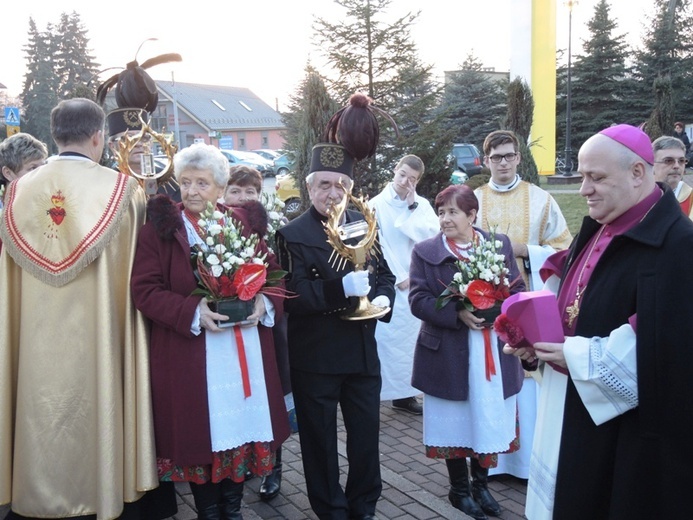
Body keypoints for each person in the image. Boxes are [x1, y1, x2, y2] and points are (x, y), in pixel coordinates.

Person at [506, 124, 693, 519]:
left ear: (638, 174)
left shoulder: (679, 243)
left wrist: (572, 355)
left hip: (625, 434)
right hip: (570, 404)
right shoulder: (600, 227)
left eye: (597, 177)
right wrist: (536, 346)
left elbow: (664, 344)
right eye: (582, 176)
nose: (584, 189)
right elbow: (571, 307)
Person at [0, 98, 168, 519]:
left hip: (33, 350)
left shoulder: (18, 191)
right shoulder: (123, 190)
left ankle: (34, 488)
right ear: (98, 137)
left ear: (55, 136)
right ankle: (106, 484)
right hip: (102, 343)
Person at [130, 143, 290, 520]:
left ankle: (232, 511)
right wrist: (192, 310)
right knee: (203, 437)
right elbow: (144, 291)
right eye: (185, 182)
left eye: (201, 183)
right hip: (191, 355)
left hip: (242, 354)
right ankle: (208, 513)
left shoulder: (241, 223)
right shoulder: (160, 231)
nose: (191, 191)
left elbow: (275, 277)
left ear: (220, 187)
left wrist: (262, 304)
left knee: (237, 433)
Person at [276, 93, 396, 520]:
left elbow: (384, 274)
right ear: (309, 186)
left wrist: (383, 296)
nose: (332, 193)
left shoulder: (362, 224)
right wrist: (339, 289)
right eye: (323, 184)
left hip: (362, 357)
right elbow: (289, 295)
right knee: (320, 443)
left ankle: (364, 505)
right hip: (317, 357)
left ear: (351, 188)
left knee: (366, 440)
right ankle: (331, 510)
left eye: (340, 185)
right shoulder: (291, 234)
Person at [408, 184, 525, 520]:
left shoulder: (496, 245)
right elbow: (418, 300)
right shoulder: (425, 252)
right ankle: (459, 489)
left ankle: (481, 486)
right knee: (456, 423)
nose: (445, 219)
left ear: (472, 215)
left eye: (453, 212)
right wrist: (456, 313)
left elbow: (515, 289)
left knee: (486, 418)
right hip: (448, 352)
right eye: (441, 212)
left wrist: (500, 310)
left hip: (492, 351)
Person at [474, 129, 572, 480]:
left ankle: (527, 462)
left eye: (509, 155)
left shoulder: (541, 199)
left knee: (527, 378)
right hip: (481, 303)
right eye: (496, 157)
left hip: (528, 301)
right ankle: (492, 458)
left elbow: (563, 247)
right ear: (486, 161)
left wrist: (525, 251)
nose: (503, 162)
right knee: (489, 375)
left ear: (518, 157)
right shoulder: (474, 200)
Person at [223, 163, 291, 502]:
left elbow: (281, 281)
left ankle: (273, 469)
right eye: (235, 191)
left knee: (270, 399)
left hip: (266, 334)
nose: (242, 198)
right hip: (226, 336)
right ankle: (244, 460)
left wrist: (266, 303)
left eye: (250, 192)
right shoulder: (215, 234)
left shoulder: (270, 234)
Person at [367, 154, 438, 415]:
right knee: (385, 343)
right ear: (395, 171)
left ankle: (405, 395)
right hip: (392, 282)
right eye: (403, 175)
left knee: (410, 344)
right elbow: (378, 244)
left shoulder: (421, 205)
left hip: (416, 282)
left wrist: (412, 208)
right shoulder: (375, 205)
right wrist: (398, 276)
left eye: (413, 179)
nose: (406, 182)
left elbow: (430, 237)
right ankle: (378, 393)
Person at [652, 135, 693, 218]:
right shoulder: (636, 197)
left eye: (681, 161)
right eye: (668, 161)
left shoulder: (690, 198)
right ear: (652, 163)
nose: (677, 166)